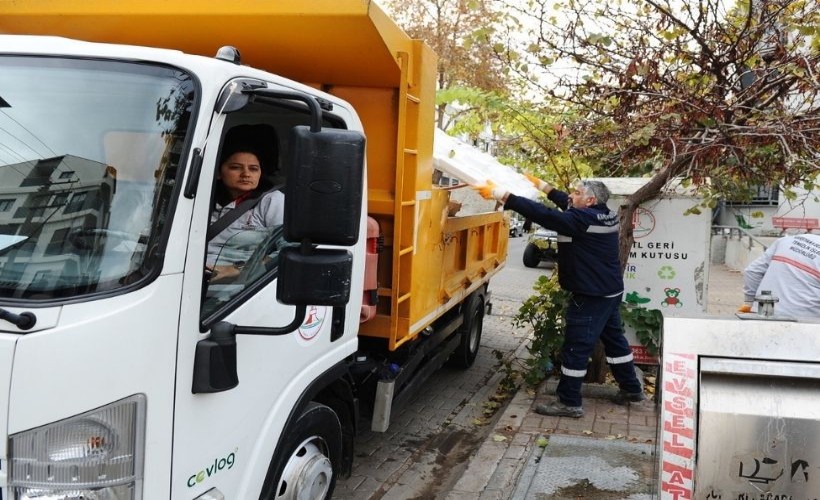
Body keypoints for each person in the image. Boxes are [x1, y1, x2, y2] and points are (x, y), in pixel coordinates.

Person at [476, 175, 645, 418]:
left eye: (576, 192)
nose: (571, 195)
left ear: (589, 200)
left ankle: (569, 403)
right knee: (615, 342)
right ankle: (632, 389)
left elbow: (545, 215)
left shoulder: (580, 220)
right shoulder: (604, 213)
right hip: (609, 291)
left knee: (576, 347)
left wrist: (506, 197)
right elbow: (565, 203)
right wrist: (542, 186)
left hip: (590, 295)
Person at [206, 145, 284, 282]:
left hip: (241, 288)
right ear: (218, 172)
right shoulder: (203, 200)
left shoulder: (271, 200)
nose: (246, 174)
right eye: (236, 167)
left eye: (253, 169)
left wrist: (235, 269)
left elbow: (287, 251)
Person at [739, 233, 820, 318]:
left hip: (764, 312)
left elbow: (752, 271)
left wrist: (750, 303)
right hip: (805, 320)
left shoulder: (787, 240)